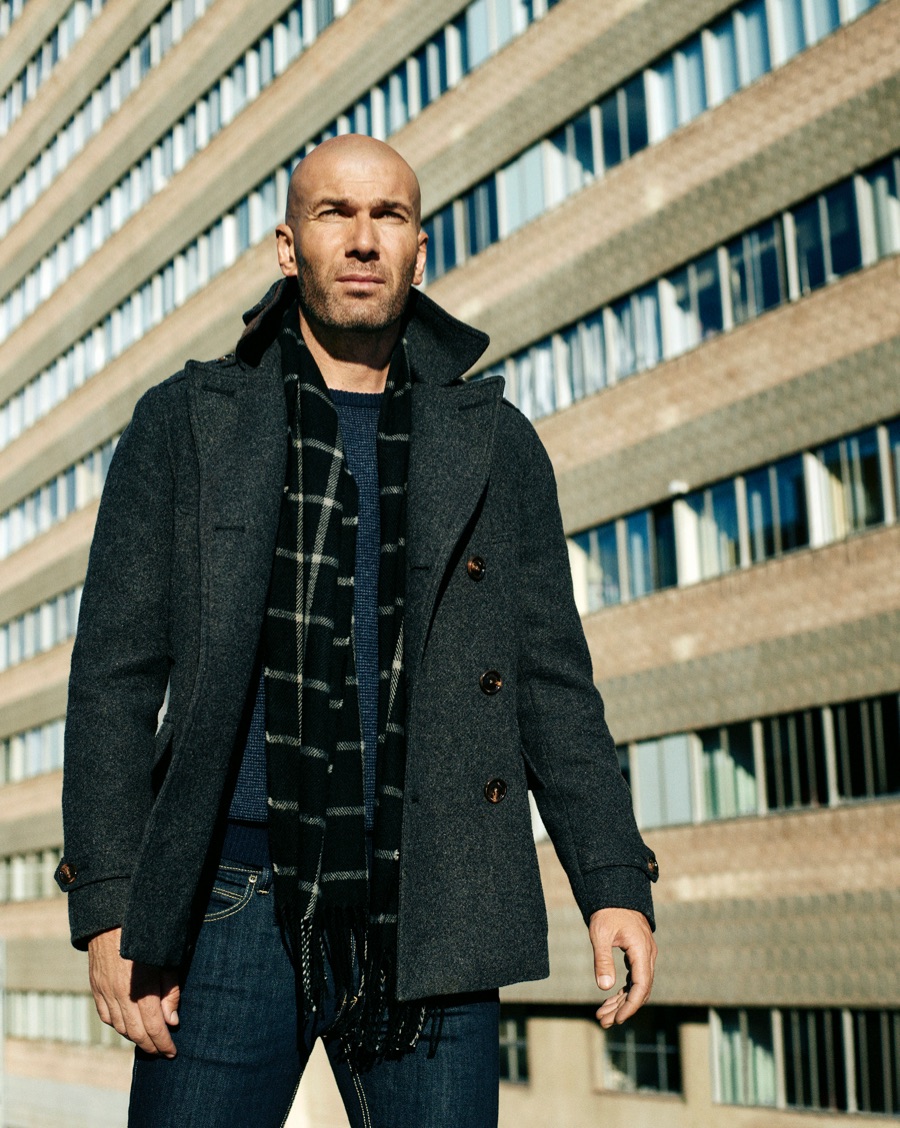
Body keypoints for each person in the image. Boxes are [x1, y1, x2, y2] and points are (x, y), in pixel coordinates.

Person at [57, 134, 659, 1128]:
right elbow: (114, 679)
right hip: (226, 900)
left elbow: (551, 683)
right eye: (335, 213)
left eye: (390, 215)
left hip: (437, 897)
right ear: (288, 246)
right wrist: (112, 902)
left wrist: (612, 880)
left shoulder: (495, 442)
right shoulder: (188, 423)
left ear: (419, 250)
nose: (364, 238)